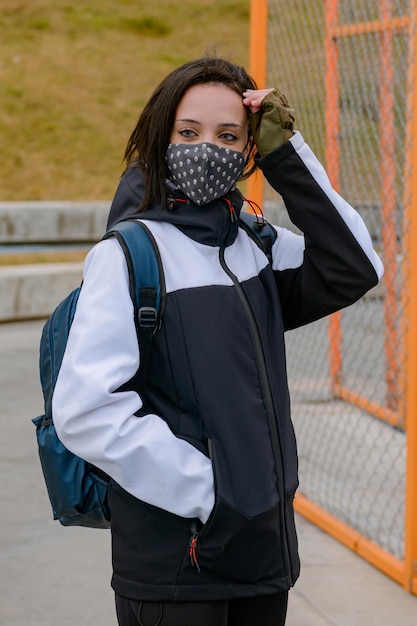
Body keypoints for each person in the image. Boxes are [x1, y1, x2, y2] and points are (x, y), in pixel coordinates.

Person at [52, 56, 384, 626]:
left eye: (229, 135)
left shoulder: (253, 243)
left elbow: (354, 266)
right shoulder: (127, 256)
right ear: (161, 136)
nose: (207, 146)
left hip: (263, 554)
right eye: (189, 132)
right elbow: (87, 412)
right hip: (177, 569)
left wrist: (288, 154)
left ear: (249, 149)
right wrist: (211, 493)